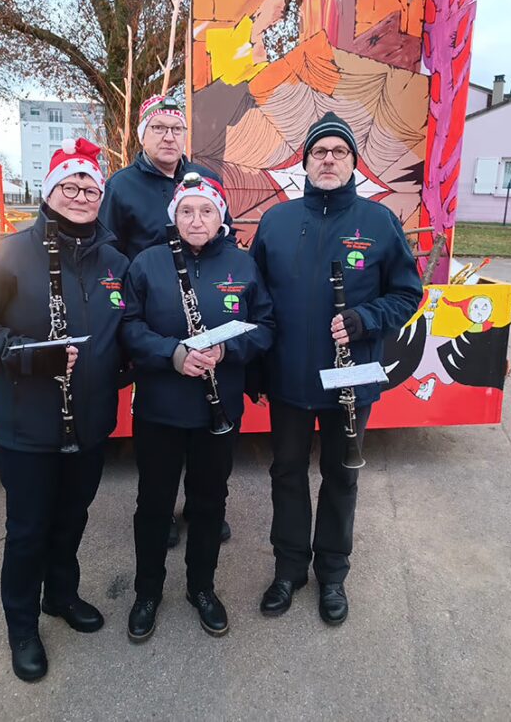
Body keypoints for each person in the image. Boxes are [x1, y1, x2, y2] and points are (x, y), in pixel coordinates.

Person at [0, 138, 128, 681]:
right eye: (69, 185)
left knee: (73, 517)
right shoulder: (1, 254)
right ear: (49, 193)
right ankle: (21, 624)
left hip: (92, 421)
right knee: (28, 528)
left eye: (90, 186)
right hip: (26, 424)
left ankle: (61, 595)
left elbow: (128, 332)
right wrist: (26, 357)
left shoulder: (116, 262)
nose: (80, 194)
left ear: (101, 195)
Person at [249, 112, 423, 625]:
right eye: (319, 152)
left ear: (353, 162)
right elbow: (257, 300)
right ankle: (289, 569)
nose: (328, 160)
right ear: (304, 162)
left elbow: (408, 293)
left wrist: (367, 317)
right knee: (286, 473)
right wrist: (257, 369)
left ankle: (332, 573)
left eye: (338, 152)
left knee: (341, 476)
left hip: (352, 379)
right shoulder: (277, 221)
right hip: (289, 379)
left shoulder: (378, 222)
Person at [121, 174, 274, 640]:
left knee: (209, 503)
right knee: (153, 504)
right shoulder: (147, 263)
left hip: (218, 410)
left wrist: (229, 351)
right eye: (186, 210)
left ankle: (201, 588)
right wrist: (174, 353)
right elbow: (128, 326)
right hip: (160, 410)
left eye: (206, 210)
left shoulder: (244, 266)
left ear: (220, 215)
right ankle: (147, 591)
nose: (196, 219)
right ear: (174, 215)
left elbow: (265, 326)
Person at [100, 93, 234, 546]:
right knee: (160, 418)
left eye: (177, 129)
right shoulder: (121, 186)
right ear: (143, 135)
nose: (170, 136)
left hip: (206, 315)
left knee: (205, 419)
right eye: (159, 128)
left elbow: (224, 240)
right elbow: (107, 252)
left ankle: (203, 505)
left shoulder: (206, 179)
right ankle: (160, 508)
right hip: (150, 318)